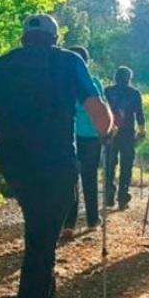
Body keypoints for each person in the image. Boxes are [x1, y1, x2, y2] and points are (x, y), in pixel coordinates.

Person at [0, 14, 114, 298]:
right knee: (40, 239)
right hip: (56, 161)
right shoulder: (70, 62)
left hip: (14, 162)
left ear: (24, 38)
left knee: (40, 229)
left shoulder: (2, 64)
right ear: (55, 38)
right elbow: (100, 115)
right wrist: (108, 131)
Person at [61, 46, 106, 240]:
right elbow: (100, 105)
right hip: (92, 136)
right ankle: (92, 219)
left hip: (70, 135)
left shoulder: (61, 82)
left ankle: (68, 224)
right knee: (90, 178)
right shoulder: (93, 82)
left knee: (70, 178)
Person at [104, 65, 145, 210]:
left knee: (109, 163)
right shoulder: (134, 93)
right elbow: (139, 114)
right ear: (129, 79)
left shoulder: (107, 91)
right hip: (127, 134)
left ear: (116, 77)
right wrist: (142, 132)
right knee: (126, 166)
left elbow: (103, 111)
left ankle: (108, 195)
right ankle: (123, 197)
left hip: (110, 132)